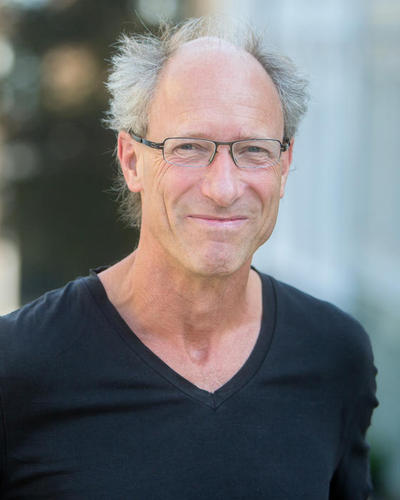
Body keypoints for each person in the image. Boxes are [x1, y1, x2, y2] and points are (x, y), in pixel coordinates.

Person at [0, 17, 377, 500]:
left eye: (253, 150)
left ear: (283, 167)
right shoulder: (19, 365)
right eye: (190, 148)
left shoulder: (334, 355)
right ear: (131, 160)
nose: (224, 188)